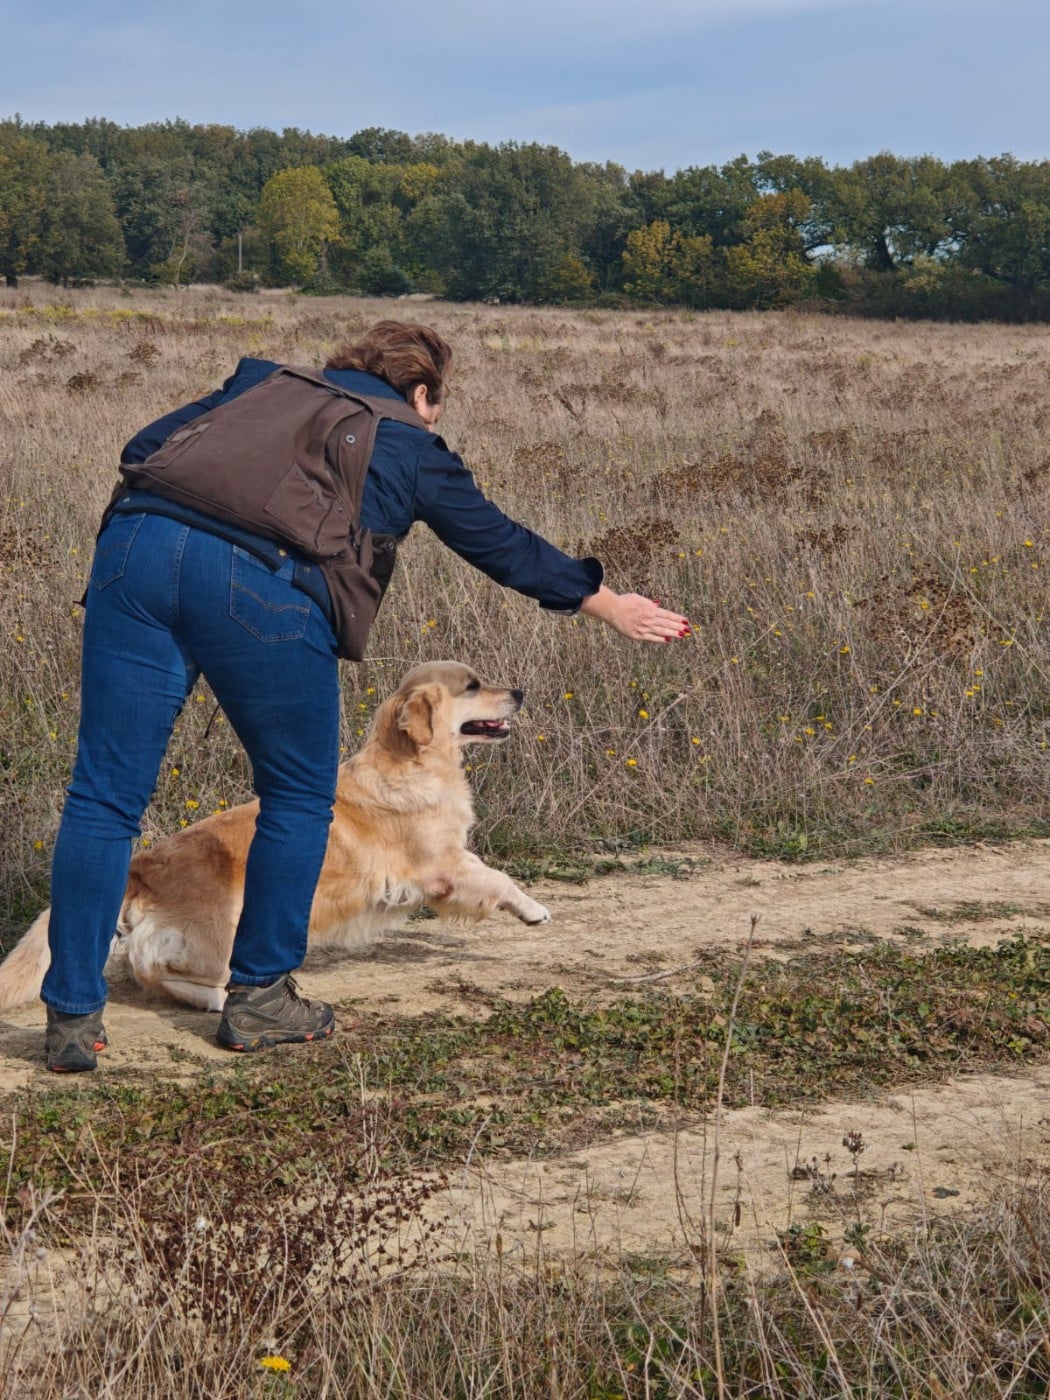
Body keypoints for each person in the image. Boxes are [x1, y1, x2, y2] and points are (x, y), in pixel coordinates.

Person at [42, 321, 690, 1072]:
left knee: (103, 798)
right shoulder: (406, 436)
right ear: (421, 393)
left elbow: (146, 446)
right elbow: (497, 540)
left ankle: (71, 1016)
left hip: (134, 551)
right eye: (435, 406)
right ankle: (260, 1000)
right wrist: (603, 601)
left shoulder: (260, 383)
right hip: (261, 578)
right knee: (298, 796)